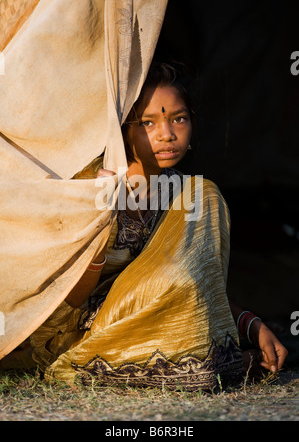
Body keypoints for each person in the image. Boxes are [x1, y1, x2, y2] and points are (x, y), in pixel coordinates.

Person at [29, 62, 287, 391]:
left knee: (203, 194)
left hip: (165, 322)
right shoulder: (89, 186)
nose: (166, 134)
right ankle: (224, 365)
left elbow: (191, 284)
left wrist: (252, 325)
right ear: (121, 130)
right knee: (199, 364)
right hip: (88, 332)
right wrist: (100, 218)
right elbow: (73, 298)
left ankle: (209, 363)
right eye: (147, 123)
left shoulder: (190, 194)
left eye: (178, 118)